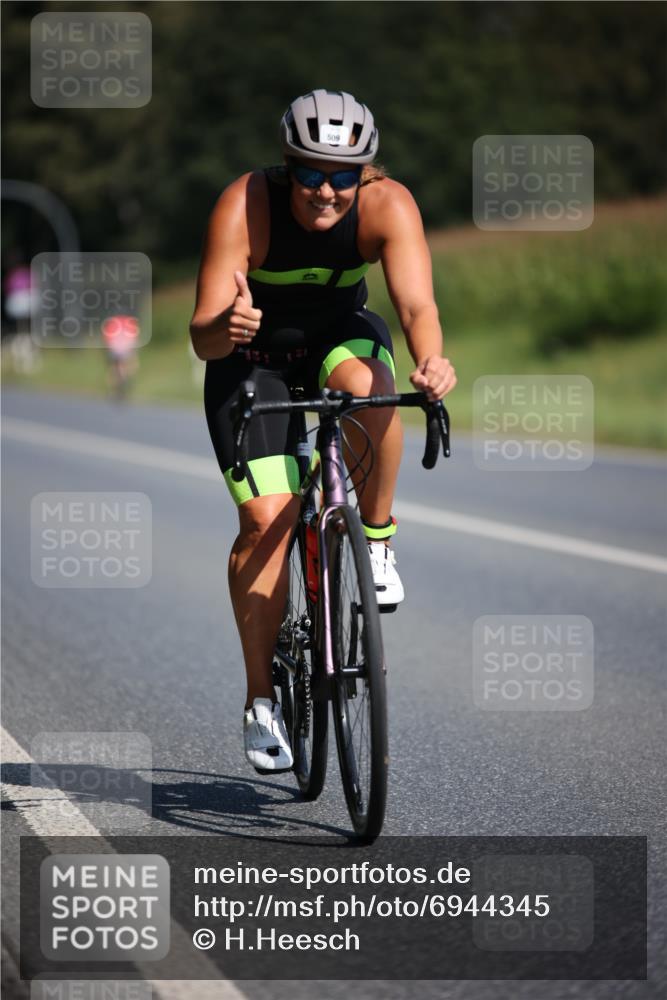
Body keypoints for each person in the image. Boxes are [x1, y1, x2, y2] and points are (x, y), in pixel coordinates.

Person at [190, 89, 456, 774]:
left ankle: (375, 540)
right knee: (266, 526)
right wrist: (227, 327)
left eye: (342, 175)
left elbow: (415, 302)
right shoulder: (245, 203)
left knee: (374, 388)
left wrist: (430, 360)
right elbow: (203, 337)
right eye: (310, 172)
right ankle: (260, 705)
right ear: (287, 165)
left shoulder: (387, 204)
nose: (325, 190)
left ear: (365, 173)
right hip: (251, 362)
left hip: (337, 339)